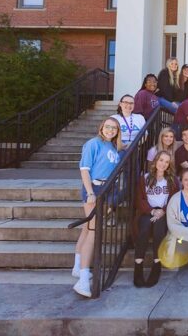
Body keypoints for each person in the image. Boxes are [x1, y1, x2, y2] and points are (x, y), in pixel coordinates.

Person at [73, 117, 123, 297]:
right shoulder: (93, 143)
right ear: (101, 128)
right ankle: (84, 280)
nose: (111, 130)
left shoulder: (113, 147)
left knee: (88, 229)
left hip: (108, 190)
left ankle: (77, 266)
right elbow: (84, 169)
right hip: (94, 188)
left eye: (114, 128)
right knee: (94, 231)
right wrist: (90, 192)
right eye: (108, 127)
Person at [133, 151, 180, 287]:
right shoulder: (145, 178)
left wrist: (162, 211)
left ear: (169, 164)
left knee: (159, 229)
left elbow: (174, 200)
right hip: (147, 211)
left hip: (164, 213)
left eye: (166, 162)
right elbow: (139, 199)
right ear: (155, 161)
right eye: (161, 160)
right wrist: (152, 211)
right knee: (145, 227)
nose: (163, 164)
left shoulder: (172, 180)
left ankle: (156, 264)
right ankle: (138, 266)